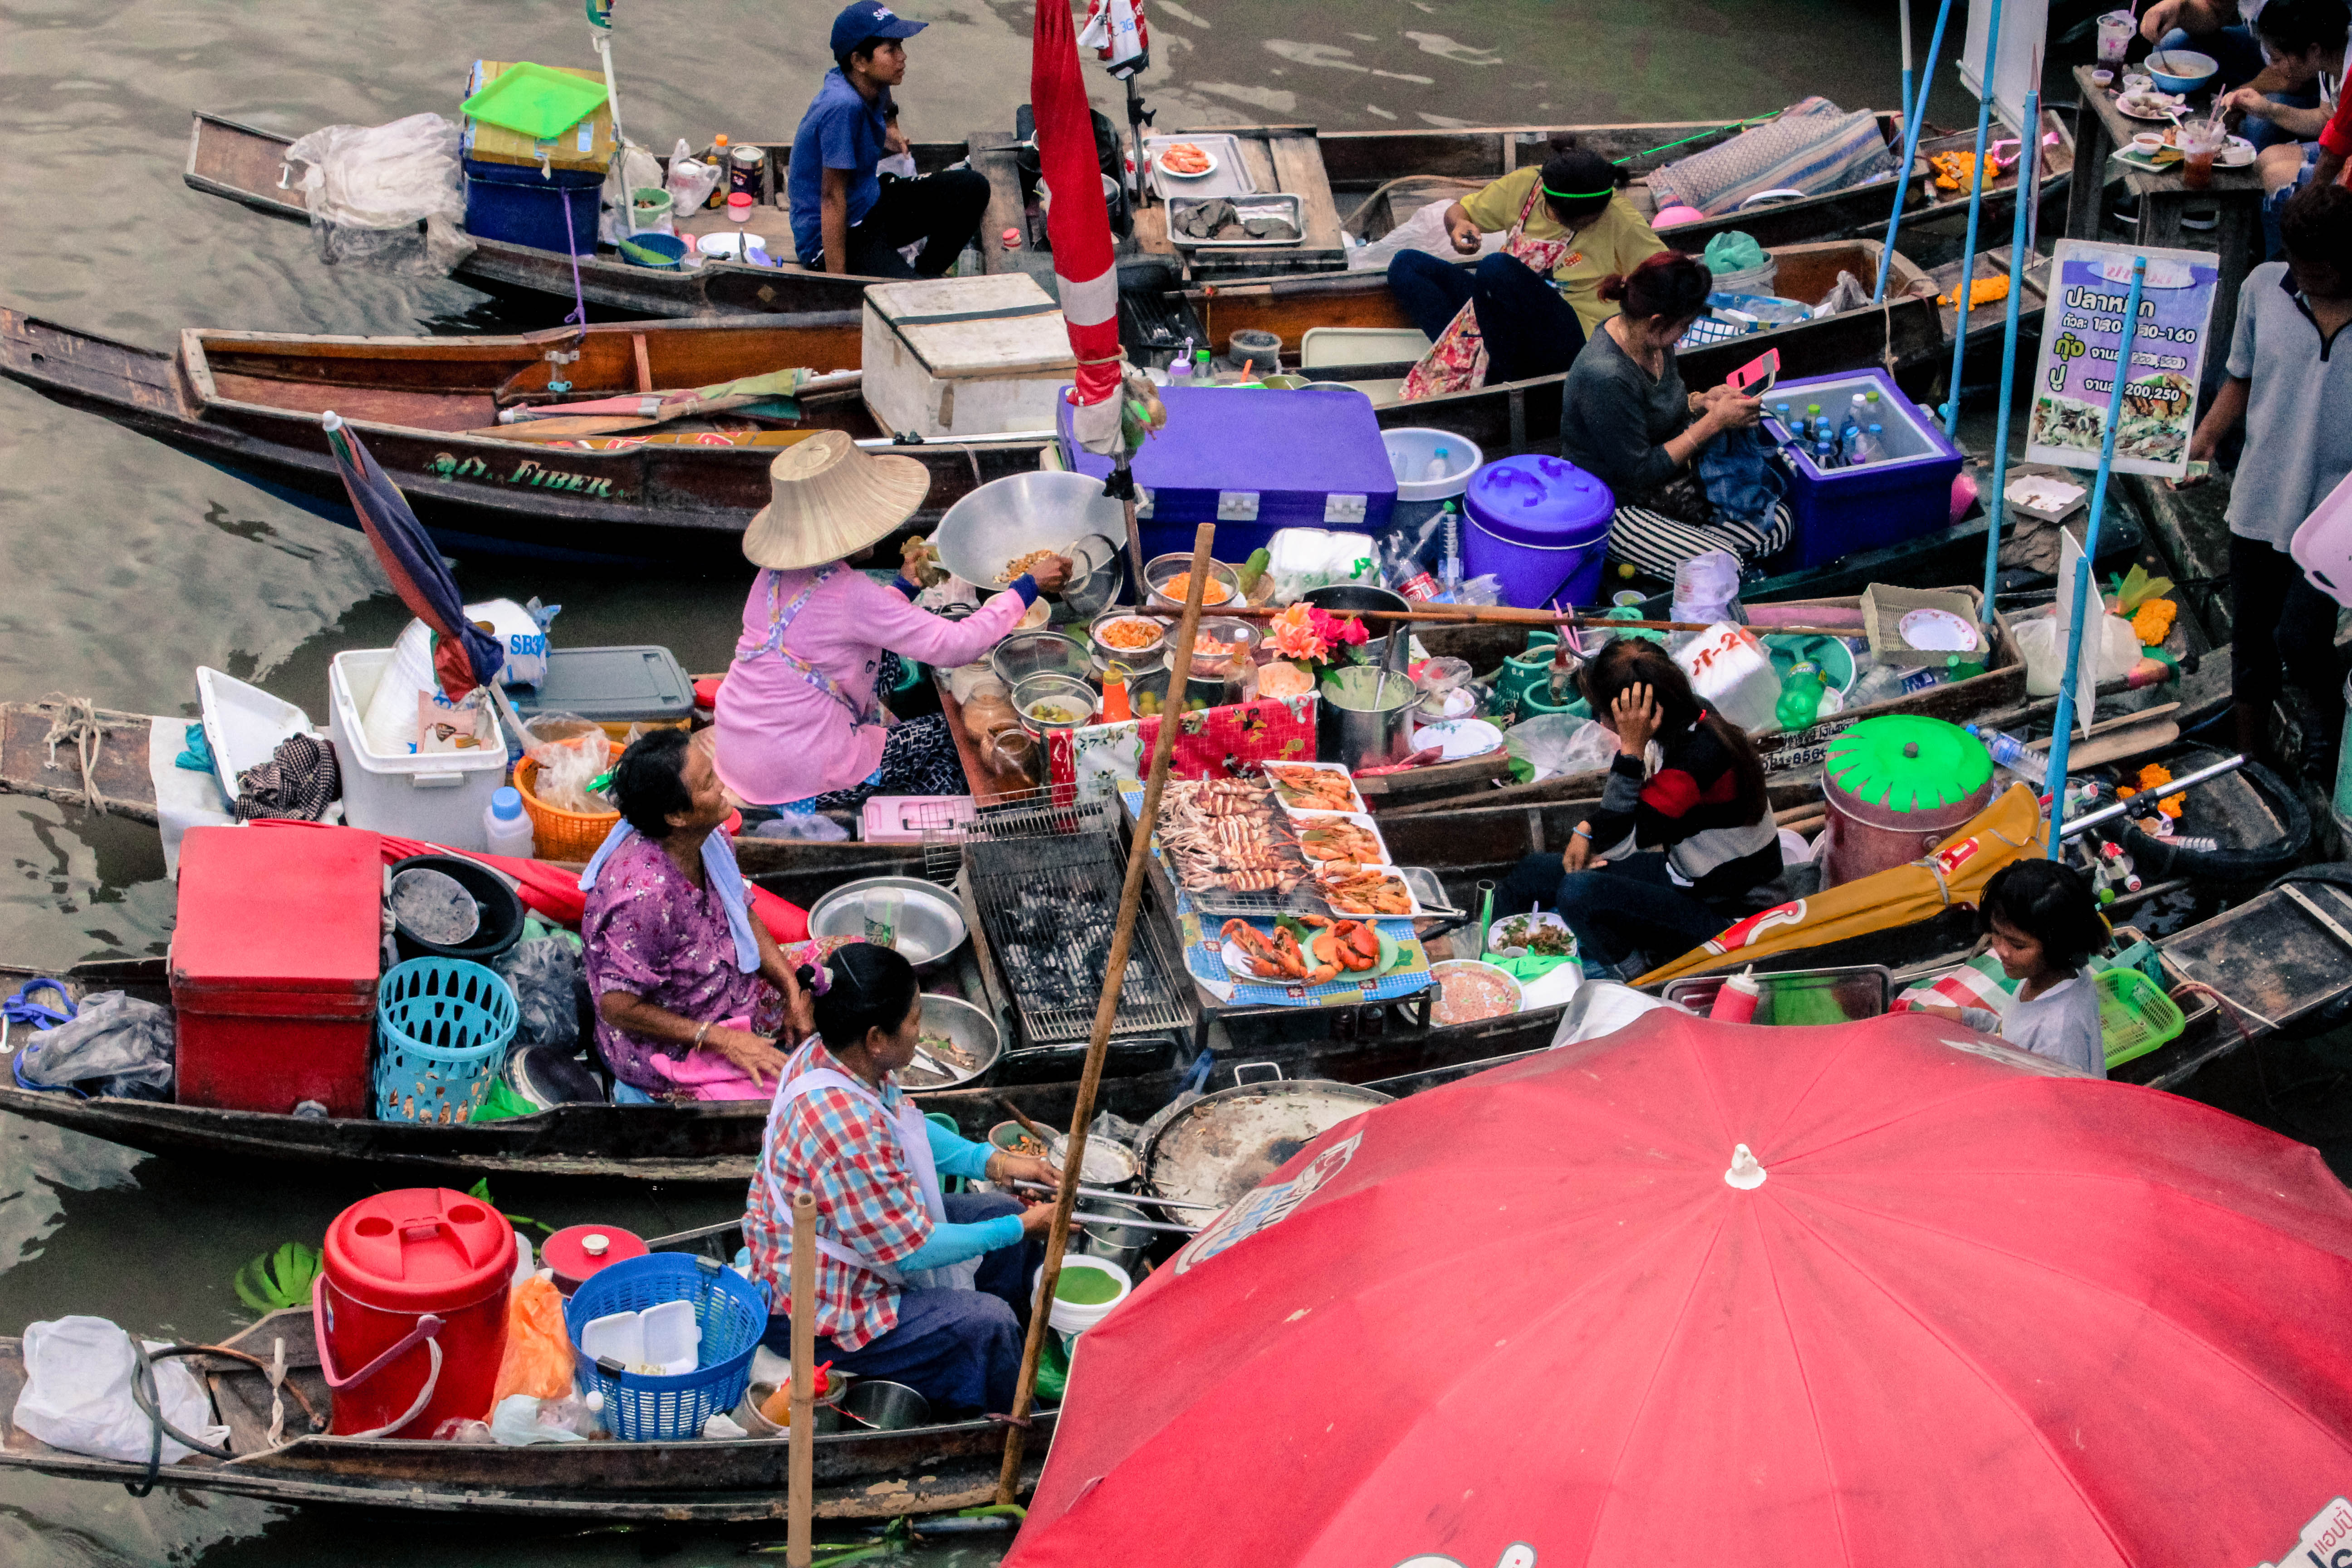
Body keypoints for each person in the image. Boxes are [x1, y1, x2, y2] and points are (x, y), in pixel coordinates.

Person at [745, 942, 1062, 1415]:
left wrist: (994, 1163)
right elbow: (913, 1250)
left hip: (856, 1242)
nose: (920, 1031)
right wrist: (1023, 1228)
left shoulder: (836, 1053)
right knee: (988, 1320)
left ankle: (1017, 1359)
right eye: (914, 1020)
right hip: (819, 1310)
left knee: (1003, 1209)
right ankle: (1003, 1412)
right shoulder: (843, 1129)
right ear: (876, 1037)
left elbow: (901, 1121)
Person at [712, 429, 1070, 813]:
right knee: (956, 744)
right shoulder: (852, 592)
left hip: (741, 749)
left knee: (888, 661)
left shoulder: (772, 576)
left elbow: (836, 624)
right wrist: (1027, 587)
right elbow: (955, 646)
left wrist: (904, 586)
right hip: (798, 772)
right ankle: (888, 803)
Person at [2182, 182, 2352, 777]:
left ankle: (2324, 718)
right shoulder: (2263, 288)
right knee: (2251, 642)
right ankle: (2248, 756)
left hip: (2336, 518)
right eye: (2297, 263)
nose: (2303, 277)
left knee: (2302, 635)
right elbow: (2241, 377)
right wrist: (2202, 440)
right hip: (2261, 495)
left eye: (2320, 268)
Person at [1495, 638, 1778, 979]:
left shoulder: (1695, 761)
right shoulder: (1686, 716)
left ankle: (1641, 978)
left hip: (1732, 921)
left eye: (1601, 712)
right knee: (1534, 872)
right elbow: (1624, 819)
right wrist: (1585, 827)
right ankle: (1493, 959)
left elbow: (1618, 841)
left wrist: (1630, 751)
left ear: (1632, 715)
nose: (1599, 721)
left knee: (1577, 892)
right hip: (1688, 879)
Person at [580, 728, 818, 1101]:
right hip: (673, 1050)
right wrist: (721, 1039)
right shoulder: (645, 896)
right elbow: (617, 1006)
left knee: (853, 968)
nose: (722, 786)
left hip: (734, 996)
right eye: (708, 782)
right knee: (792, 1104)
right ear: (676, 815)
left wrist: (792, 992)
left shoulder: (711, 838)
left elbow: (741, 913)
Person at [1560, 251, 1791, 580]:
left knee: (1778, 525)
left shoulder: (1652, 340)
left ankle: (1684, 550)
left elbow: (1666, 404)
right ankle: (1663, 553)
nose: (1684, 334)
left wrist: (1701, 401)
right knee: (1722, 569)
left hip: (1668, 486)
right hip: (1616, 502)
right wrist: (1715, 422)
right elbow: (1638, 472)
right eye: (1684, 326)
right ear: (1657, 321)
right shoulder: (1606, 375)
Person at [1387, 147, 1666, 389]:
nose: (1574, 225)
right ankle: (1484, 364)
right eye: (1565, 218)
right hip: (1505, 316)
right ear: (1549, 201)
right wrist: (1459, 226)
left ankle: (1504, 383)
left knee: (1495, 268)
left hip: (1574, 337)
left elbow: (1668, 274)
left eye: (1586, 221)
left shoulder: (1620, 218)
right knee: (1406, 265)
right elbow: (1459, 212)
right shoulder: (1526, 186)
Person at [789, 2, 990, 277]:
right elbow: (832, 199)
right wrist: (837, 283)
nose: (903, 57)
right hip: (838, 236)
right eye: (891, 50)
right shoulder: (841, 108)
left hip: (871, 203)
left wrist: (892, 126)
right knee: (907, 303)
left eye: (901, 46)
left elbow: (885, 94)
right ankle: (911, 285)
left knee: (973, 187)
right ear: (859, 61)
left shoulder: (869, 80)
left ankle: (925, 275)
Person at [1922, 859, 2109, 1078]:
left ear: (2058, 946)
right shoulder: (2045, 975)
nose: (2001, 950)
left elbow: (2050, 1106)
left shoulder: (2057, 1039)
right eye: (1995, 933)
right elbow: (2013, 1034)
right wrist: (1966, 1019)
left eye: (2018, 945)